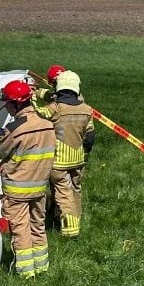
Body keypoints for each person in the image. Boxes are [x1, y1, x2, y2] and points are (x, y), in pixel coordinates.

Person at [0, 80, 55, 279]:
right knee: (38, 226)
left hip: (17, 190)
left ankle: (26, 275)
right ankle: (42, 267)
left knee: (21, 231)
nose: (6, 107)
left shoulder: (15, 128)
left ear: (17, 104)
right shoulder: (47, 124)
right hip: (40, 187)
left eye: (8, 103)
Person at [44, 71, 95, 238]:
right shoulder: (87, 109)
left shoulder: (55, 108)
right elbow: (90, 138)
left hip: (58, 162)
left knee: (63, 194)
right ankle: (76, 219)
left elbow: (39, 117)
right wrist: (84, 153)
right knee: (75, 190)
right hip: (78, 159)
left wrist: (39, 95)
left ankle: (70, 232)